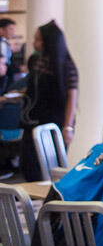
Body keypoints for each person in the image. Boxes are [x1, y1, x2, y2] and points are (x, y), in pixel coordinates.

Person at [21, 20, 78, 178]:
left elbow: (71, 98)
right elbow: (36, 89)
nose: (34, 43)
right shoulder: (36, 61)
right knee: (29, 164)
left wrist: (68, 127)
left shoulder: (65, 65)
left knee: (49, 165)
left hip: (54, 120)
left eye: (38, 39)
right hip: (32, 119)